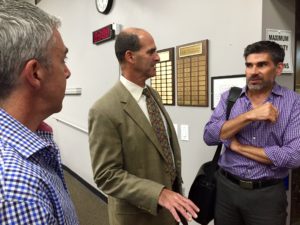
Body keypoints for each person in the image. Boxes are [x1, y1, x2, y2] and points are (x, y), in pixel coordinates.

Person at [88, 27, 199, 225]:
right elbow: (106, 175)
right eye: (151, 52)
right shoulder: (104, 110)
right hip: (138, 217)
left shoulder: (151, 95)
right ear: (130, 56)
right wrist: (159, 194)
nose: (157, 58)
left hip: (168, 212)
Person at [204, 40, 300, 225]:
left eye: (262, 64)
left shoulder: (294, 102)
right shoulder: (230, 98)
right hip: (226, 189)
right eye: (249, 65)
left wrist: (237, 147)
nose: (253, 71)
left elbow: (293, 156)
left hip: (267, 196)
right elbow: (209, 136)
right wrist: (249, 116)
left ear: (278, 68)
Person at [0, 1, 79, 224]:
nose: (67, 72)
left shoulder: (32, 140)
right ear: (35, 73)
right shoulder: (18, 193)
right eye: (62, 59)